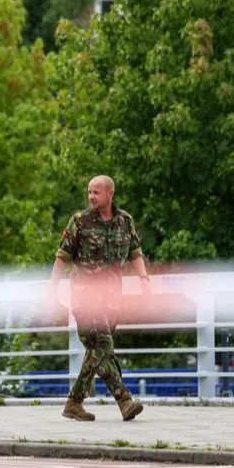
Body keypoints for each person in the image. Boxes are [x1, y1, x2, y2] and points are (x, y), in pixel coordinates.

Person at [48, 175, 151, 422]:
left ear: (110, 194)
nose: (91, 196)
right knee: (104, 345)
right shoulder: (79, 222)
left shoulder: (125, 221)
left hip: (112, 299)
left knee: (97, 351)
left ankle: (73, 402)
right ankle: (124, 401)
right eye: (89, 192)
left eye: (96, 192)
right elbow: (62, 257)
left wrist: (144, 279)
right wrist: (52, 289)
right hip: (85, 297)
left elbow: (135, 252)